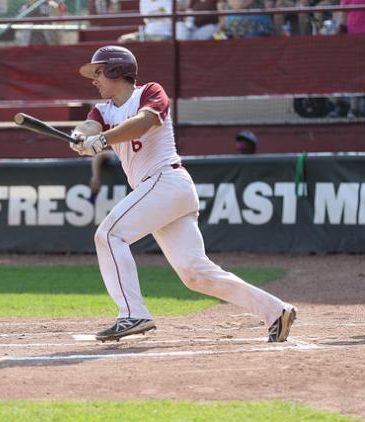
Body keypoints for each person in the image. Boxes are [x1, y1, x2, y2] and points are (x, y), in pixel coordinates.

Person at [69, 45, 297, 342]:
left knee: (109, 234)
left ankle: (132, 313)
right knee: (196, 274)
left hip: (166, 181)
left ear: (116, 70)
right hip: (159, 193)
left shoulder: (150, 91)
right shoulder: (103, 109)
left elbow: (143, 122)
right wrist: (80, 135)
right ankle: (276, 311)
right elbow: (90, 125)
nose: (94, 79)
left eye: (99, 72)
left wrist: (102, 140)